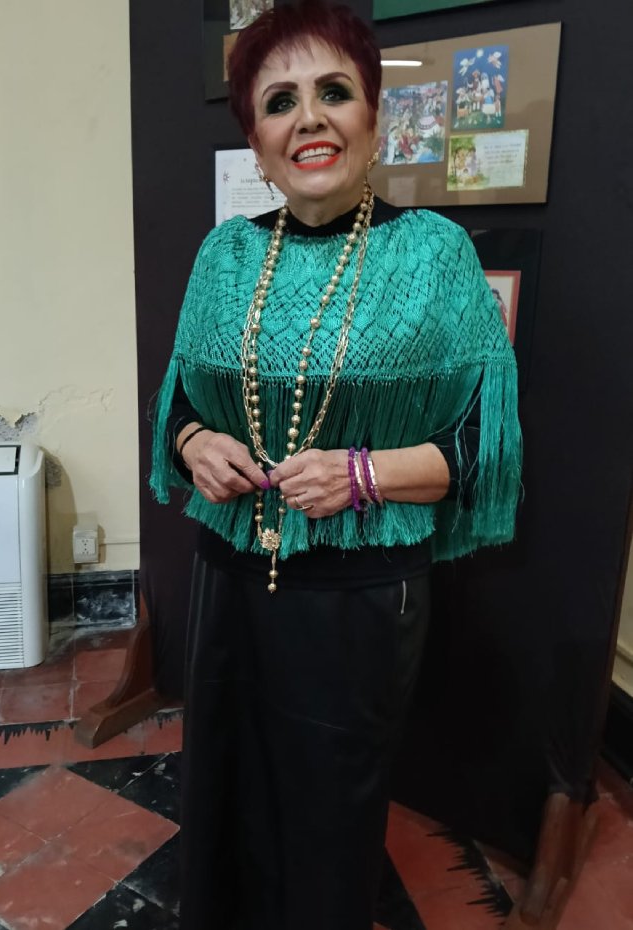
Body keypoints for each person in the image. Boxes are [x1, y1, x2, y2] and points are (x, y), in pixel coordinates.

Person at [150, 2, 522, 928]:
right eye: (280, 101)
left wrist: (362, 476)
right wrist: (197, 446)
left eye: (334, 91)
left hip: (360, 596)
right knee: (225, 785)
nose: (308, 117)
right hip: (230, 578)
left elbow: (484, 448)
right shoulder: (224, 254)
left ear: (375, 117)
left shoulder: (434, 254)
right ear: (256, 141)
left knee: (329, 807)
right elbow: (179, 406)